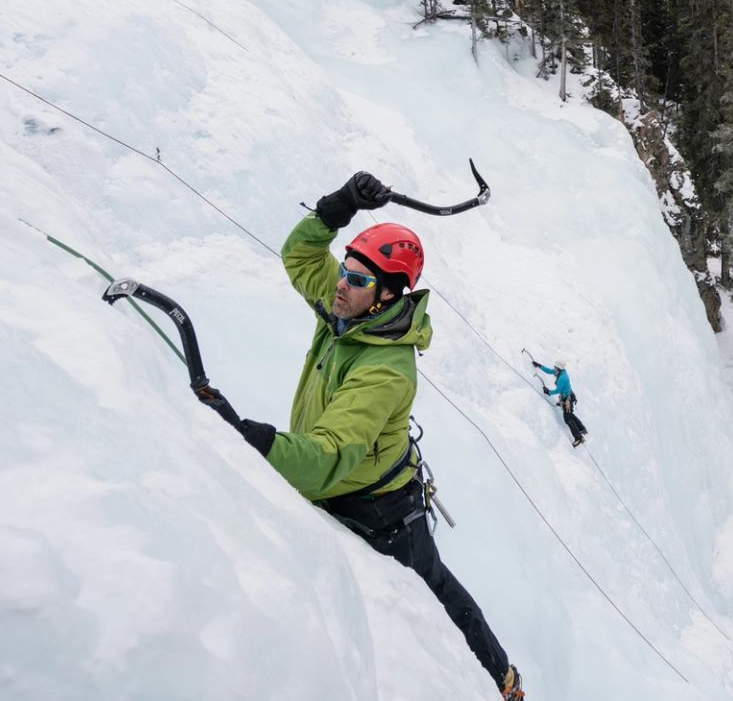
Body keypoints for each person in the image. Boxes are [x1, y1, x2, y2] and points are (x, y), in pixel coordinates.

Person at [196, 169, 525, 700]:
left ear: (389, 294)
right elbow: (301, 258)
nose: (342, 284)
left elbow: (329, 456)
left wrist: (254, 440)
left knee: (436, 599)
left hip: (381, 511)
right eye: (346, 271)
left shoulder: (387, 370)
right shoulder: (347, 309)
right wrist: (339, 205)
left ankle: (503, 681)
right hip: (342, 482)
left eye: (358, 279)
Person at [533, 359, 588, 447]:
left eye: (555, 368)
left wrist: (548, 392)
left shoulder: (562, 378)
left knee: (567, 418)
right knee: (570, 414)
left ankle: (578, 437)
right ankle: (581, 428)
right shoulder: (561, 373)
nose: (554, 369)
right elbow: (550, 371)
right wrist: (540, 366)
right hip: (568, 396)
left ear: (559, 369)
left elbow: (558, 390)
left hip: (567, 400)